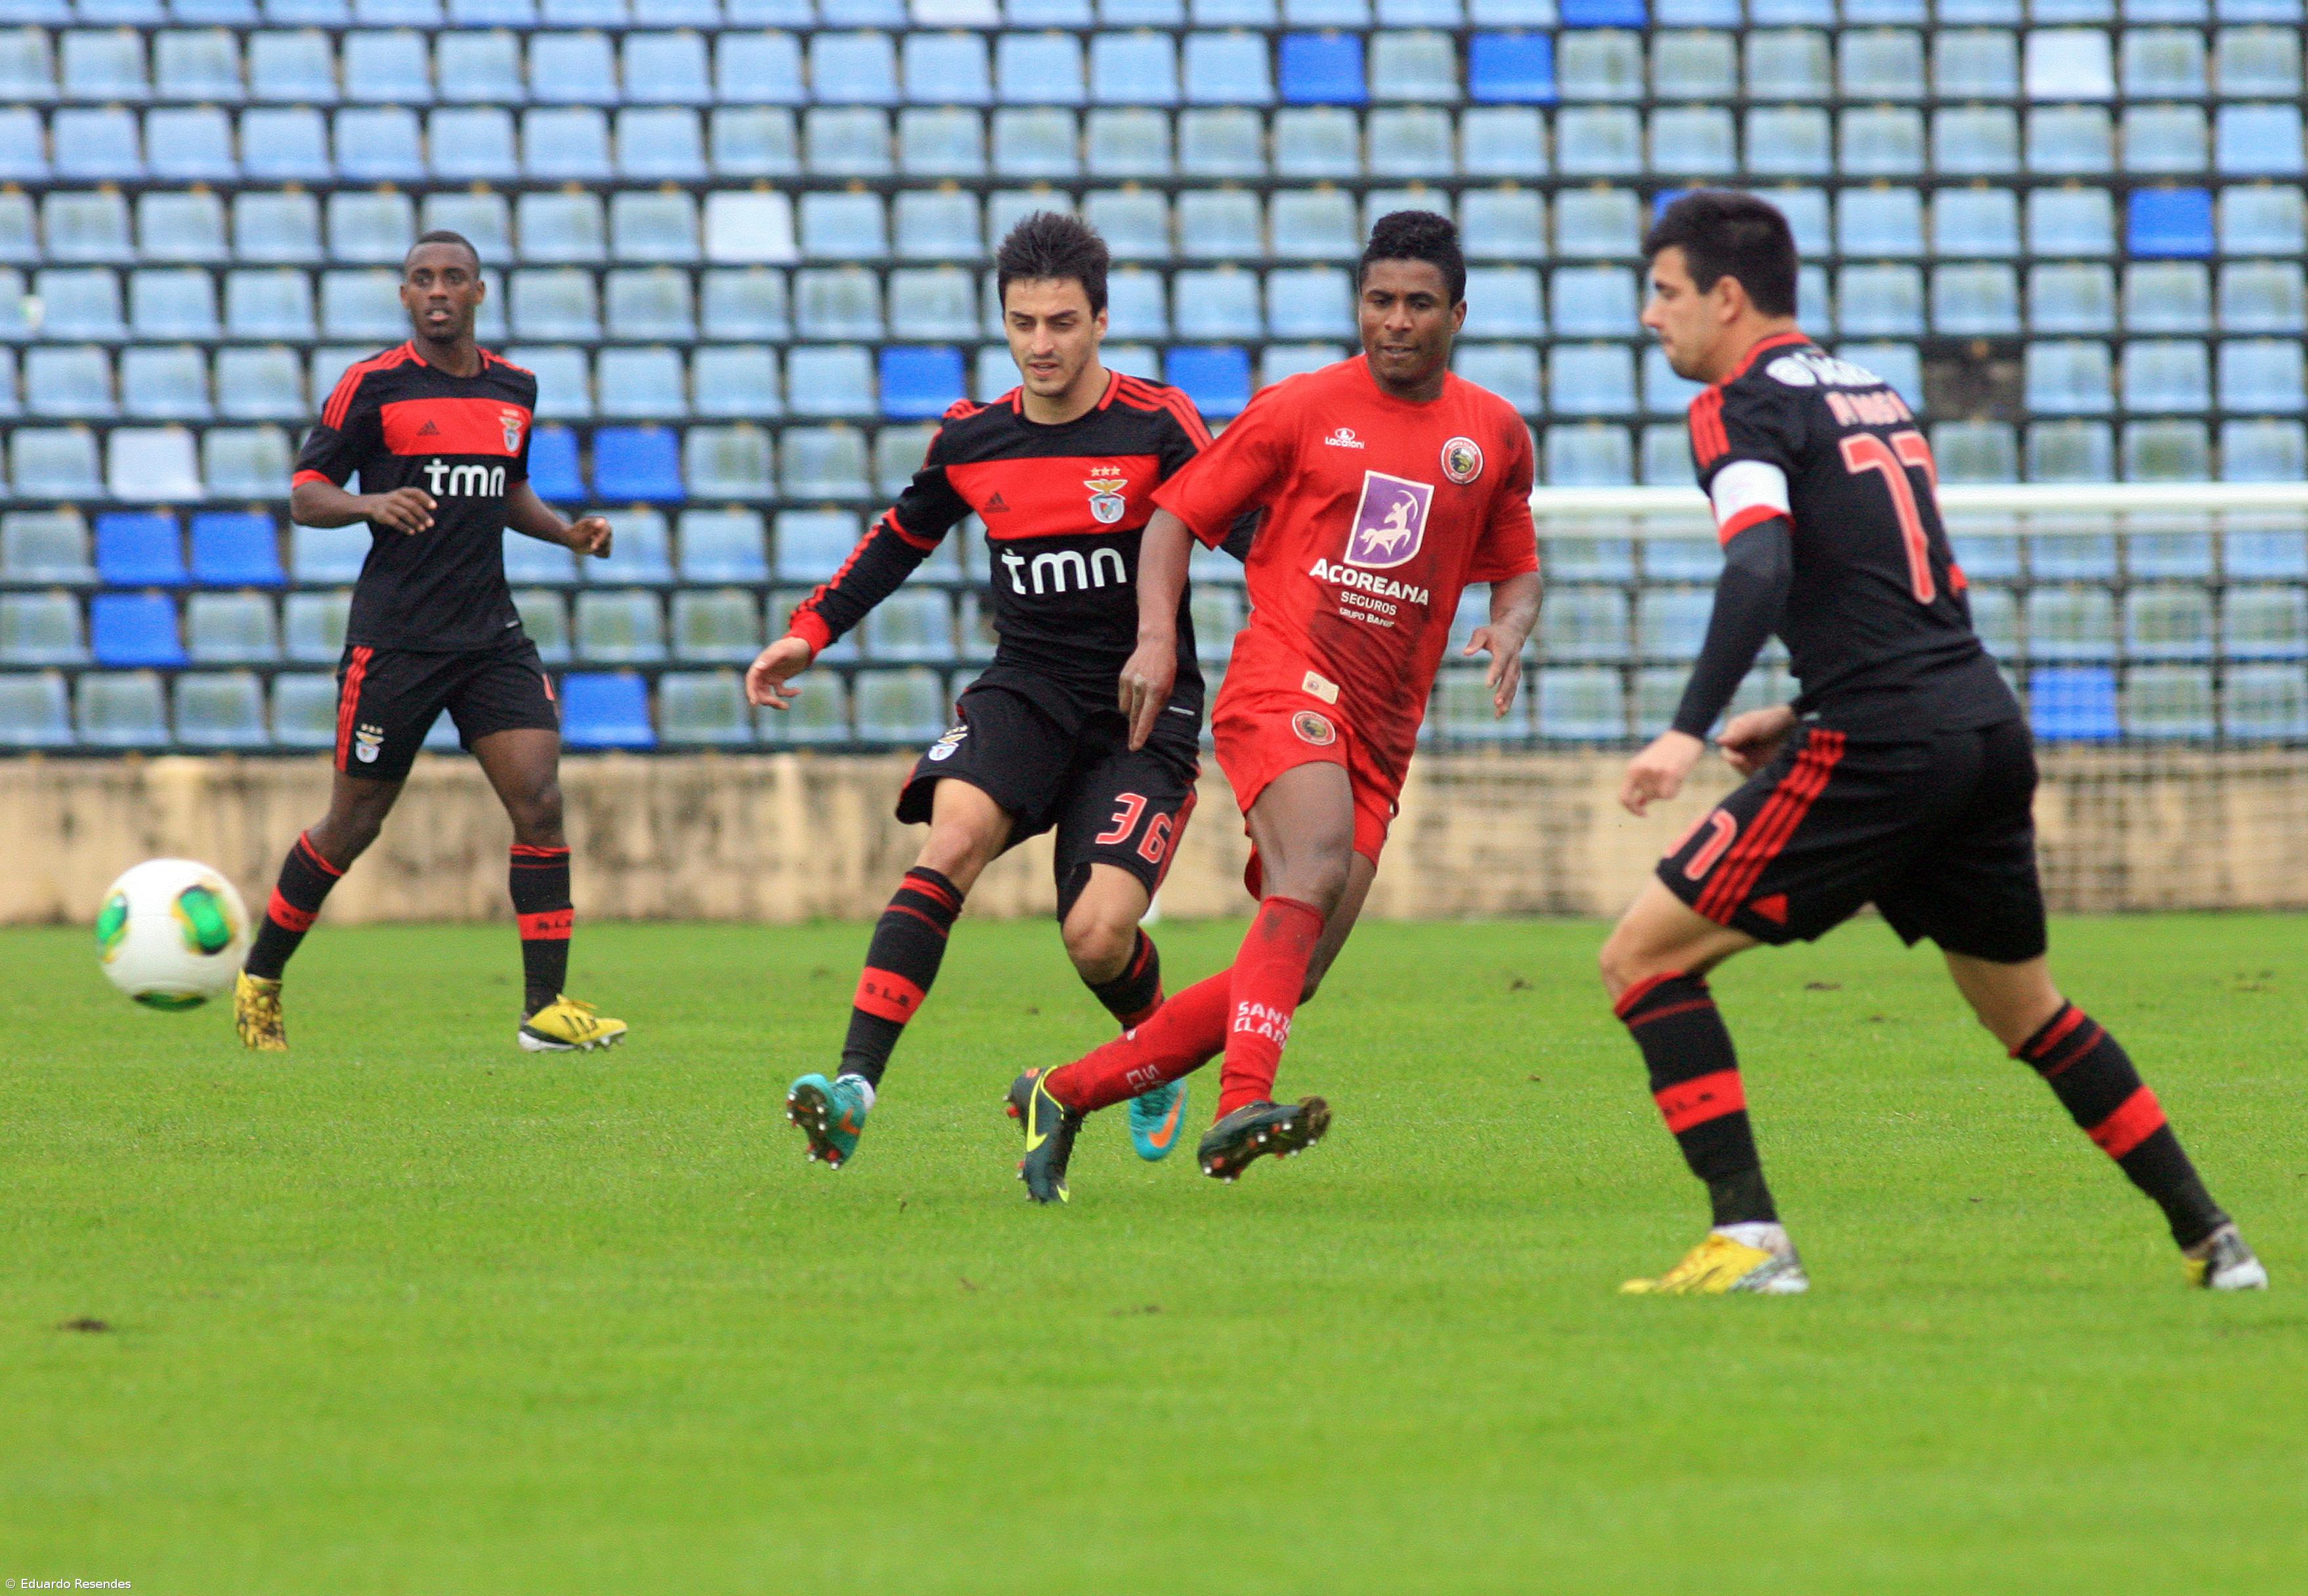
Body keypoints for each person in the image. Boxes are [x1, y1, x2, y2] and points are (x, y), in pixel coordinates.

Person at [1601, 190, 2265, 1294]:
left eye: (1664, 292)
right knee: (2030, 1013)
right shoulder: (1872, 391)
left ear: (1726, 297)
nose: (1647, 315)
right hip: (1977, 723)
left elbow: (1759, 565)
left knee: (1641, 958)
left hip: (1885, 741)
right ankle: (2214, 1237)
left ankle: (1750, 1241)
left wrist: (1685, 728)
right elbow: (1887, 587)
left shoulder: (1738, 404)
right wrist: (1801, 707)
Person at [1009, 211, 1544, 1202]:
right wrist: (1159, 638)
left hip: (1387, 730)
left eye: (1418, 303)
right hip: (1284, 682)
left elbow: (1516, 565)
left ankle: (1061, 1093)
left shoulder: (1494, 435)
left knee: (1288, 974)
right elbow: (1175, 516)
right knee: (1315, 861)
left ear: (1457, 314)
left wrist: (1510, 627)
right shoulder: (1300, 409)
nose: (1395, 320)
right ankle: (1239, 1109)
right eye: (1378, 300)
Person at [746, 213, 1222, 1171]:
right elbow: (897, 540)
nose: (1040, 345)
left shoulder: (1158, 425)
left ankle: (1154, 1053)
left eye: (1061, 323)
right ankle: (852, 1090)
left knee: (1095, 937)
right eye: (1022, 323)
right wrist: (808, 633)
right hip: (1026, 689)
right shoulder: (974, 439)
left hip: (1141, 706)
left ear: (1099, 321)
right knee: (951, 840)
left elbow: (1248, 529)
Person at [234, 231, 628, 1057]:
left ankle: (545, 1009)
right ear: (405, 296)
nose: (438, 290)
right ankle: (260, 979)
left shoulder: (515, 388)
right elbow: (307, 495)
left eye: (454, 277)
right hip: (397, 641)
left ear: (480, 292)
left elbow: (508, 486)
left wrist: (567, 534)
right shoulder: (371, 386)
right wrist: (371, 505)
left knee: (541, 801)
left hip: (490, 636)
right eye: (422, 279)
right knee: (353, 823)